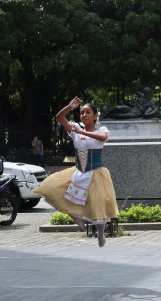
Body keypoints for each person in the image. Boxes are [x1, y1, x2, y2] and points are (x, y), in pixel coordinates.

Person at [34, 97, 119, 247]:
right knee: (51, 189)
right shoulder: (75, 129)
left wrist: (82, 132)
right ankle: (77, 218)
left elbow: (102, 138)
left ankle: (100, 234)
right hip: (78, 171)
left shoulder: (102, 130)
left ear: (95, 116)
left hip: (96, 173)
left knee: (96, 204)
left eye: (88, 112)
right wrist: (70, 106)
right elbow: (59, 118)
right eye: (82, 113)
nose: (84, 115)